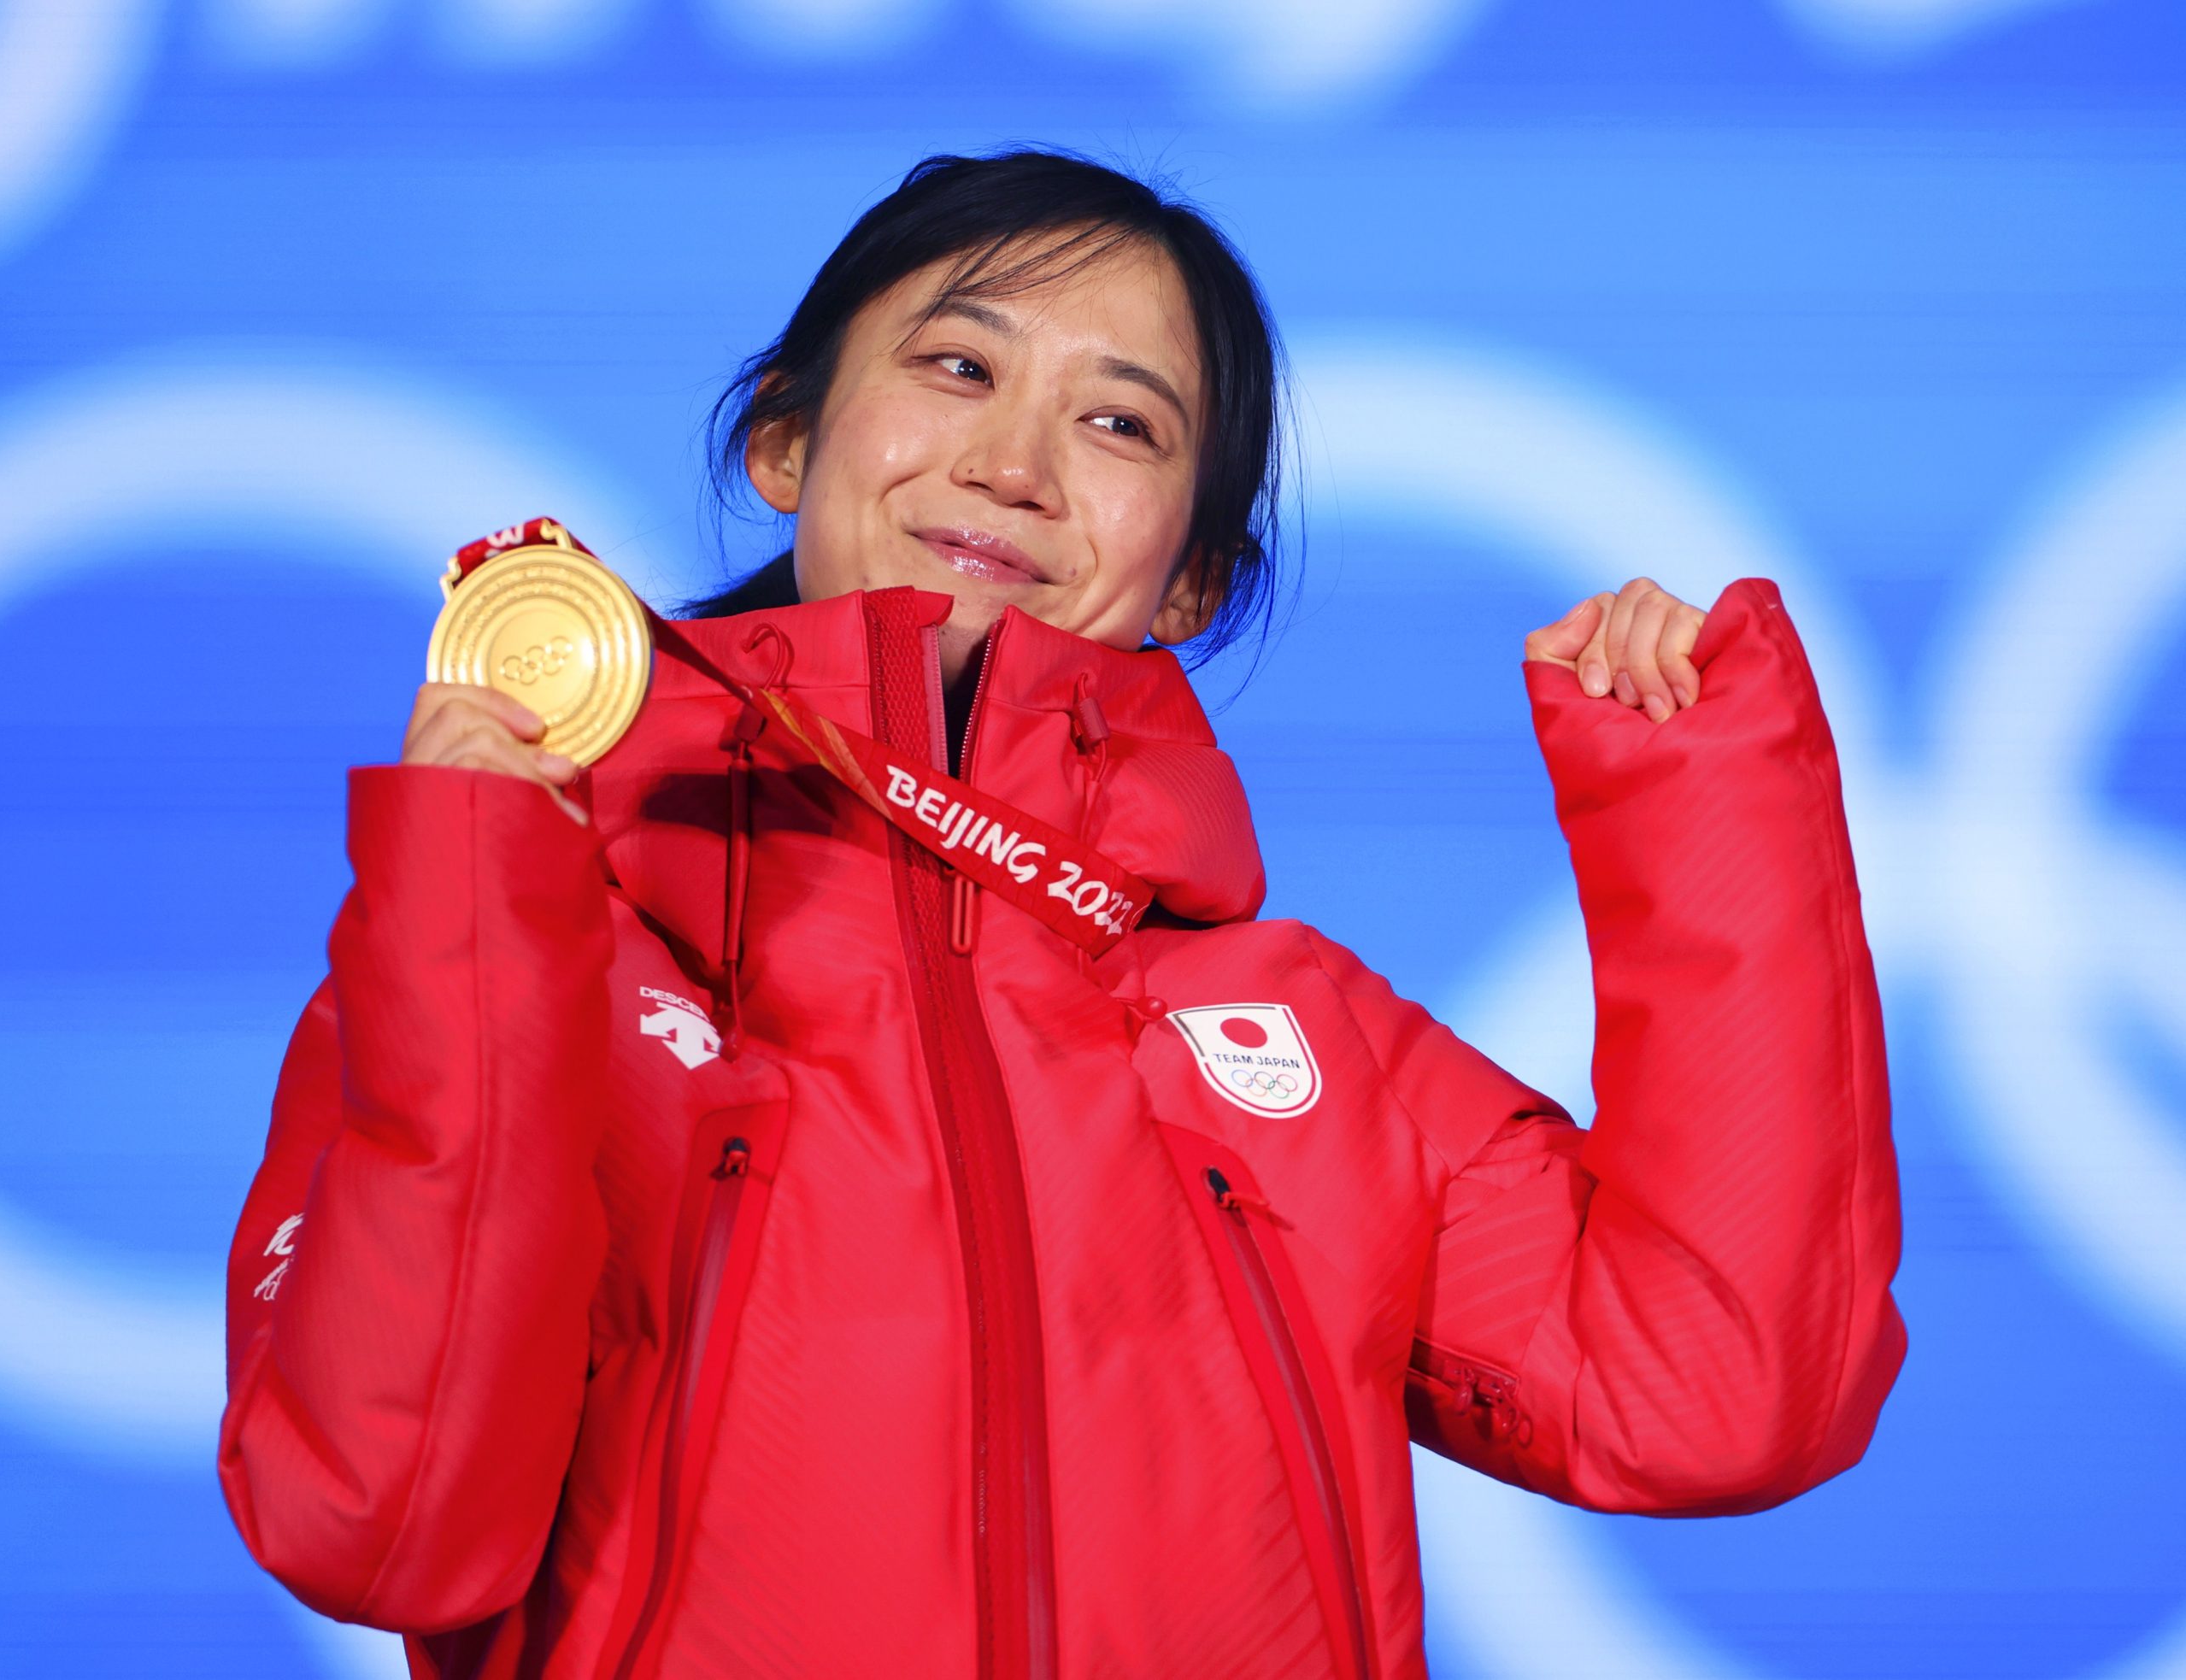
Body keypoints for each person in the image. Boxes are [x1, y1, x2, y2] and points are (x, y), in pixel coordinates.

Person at [217, 149, 1905, 1680]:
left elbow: (1720, 1393)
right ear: (785, 440)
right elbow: (383, 1521)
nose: (1015, 462)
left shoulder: (1301, 1041)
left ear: (1188, 578)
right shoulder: (539, 947)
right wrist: (479, 916)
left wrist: (1704, 804)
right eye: (957, 365)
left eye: (1121, 423)